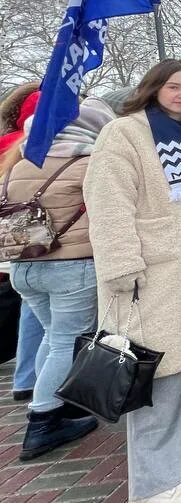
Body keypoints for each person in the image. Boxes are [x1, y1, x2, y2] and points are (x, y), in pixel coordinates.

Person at [84, 59, 181, 503]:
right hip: (150, 271)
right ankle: (154, 484)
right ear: (153, 87)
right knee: (156, 370)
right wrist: (121, 265)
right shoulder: (125, 133)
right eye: (175, 86)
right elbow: (108, 203)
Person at [4, 96, 113, 460]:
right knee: (66, 342)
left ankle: (48, 402)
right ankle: (44, 421)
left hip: (25, 264)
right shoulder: (88, 162)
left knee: (52, 338)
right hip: (73, 264)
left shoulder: (19, 161)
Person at [1, 82, 45, 403]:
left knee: (34, 310)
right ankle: (46, 395)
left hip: (18, 247)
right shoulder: (35, 150)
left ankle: (26, 378)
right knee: (57, 328)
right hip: (46, 240)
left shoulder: (7, 146)